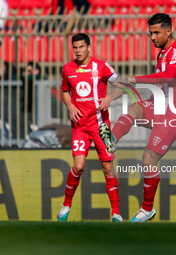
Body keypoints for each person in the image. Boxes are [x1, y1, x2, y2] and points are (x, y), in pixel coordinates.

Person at [99, 13, 176, 222]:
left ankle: (147, 209)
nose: (152, 37)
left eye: (156, 32)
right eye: (150, 32)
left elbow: (168, 77)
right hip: (159, 106)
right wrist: (110, 97)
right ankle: (110, 142)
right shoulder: (162, 54)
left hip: (174, 113)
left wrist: (137, 79)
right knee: (134, 109)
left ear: (169, 31)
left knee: (148, 159)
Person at [57, 33, 126, 222]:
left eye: (81, 47)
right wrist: (70, 106)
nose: (78, 51)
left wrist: (110, 97)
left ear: (89, 47)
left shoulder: (102, 66)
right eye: (75, 48)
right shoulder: (68, 69)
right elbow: (64, 91)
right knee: (78, 167)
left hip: (101, 126)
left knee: (108, 167)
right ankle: (66, 205)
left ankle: (116, 212)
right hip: (80, 126)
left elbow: (121, 85)